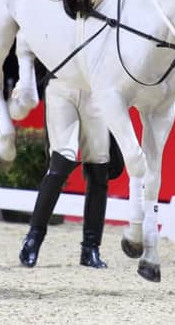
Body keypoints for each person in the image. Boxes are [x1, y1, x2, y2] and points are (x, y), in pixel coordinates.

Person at [19, 76, 122, 268]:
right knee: (62, 161)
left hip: (95, 92)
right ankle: (33, 238)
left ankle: (90, 248)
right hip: (62, 87)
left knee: (99, 169)